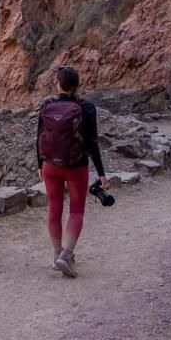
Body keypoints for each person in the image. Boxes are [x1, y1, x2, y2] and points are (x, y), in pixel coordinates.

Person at [36, 66, 109, 278]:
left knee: (54, 208)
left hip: (50, 165)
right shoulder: (86, 107)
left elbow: (39, 135)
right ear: (77, 85)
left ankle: (57, 255)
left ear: (57, 84)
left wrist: (40, 164)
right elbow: (93, 143)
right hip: (76, 166)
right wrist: (101, 173)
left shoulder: (48, 104)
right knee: (76, 210)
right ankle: (66, 256)